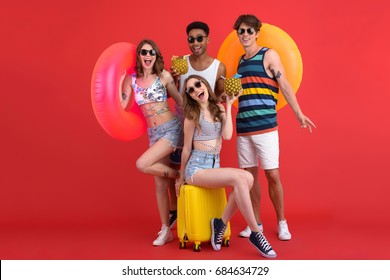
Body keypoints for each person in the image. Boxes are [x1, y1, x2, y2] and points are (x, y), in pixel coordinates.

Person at [232, 14, 316, 241]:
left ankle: (282, 222)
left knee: (273, 175)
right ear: (237, 34)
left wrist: (298, 113)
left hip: (266, 127)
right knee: (249, 178)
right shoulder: (240, 61)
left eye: (250, 30)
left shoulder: (268, 55)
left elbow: (284, 83)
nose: (246, 34)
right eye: (242, 31)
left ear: (257, 33)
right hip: (243, 127)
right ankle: (255, 223)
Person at [175, 75, 277, 258]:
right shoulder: (191, 117)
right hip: (196, 169)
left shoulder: (219, 110)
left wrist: (229, 106)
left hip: (214, 166)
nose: (196, 90)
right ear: (189, 96)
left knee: (249, 179)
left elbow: (228, 135)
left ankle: (220, 224)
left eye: (198, 84)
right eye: (190, 89)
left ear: (205, 85)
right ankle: (256, 233)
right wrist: (181, 177)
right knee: (240, 177)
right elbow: (186, 149)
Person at [121, 39, 183, 246]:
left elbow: (180, 100)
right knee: (159, 184)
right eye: (143, 52)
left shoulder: (164, 76)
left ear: (156, 55)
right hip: (153, 134)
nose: (148, 56)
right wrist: (117, 81)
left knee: (142, 164)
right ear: (139, 55)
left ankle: (177, 175)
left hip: (171, 130)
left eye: (152, 52)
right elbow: (122, 105)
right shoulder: (131, 80)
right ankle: (166, 230)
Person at [167, 21, 227, 228]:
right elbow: (170, 93)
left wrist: (227, 99)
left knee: (201, 169)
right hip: (182, 123)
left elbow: (217, 99)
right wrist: (173, 80)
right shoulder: (180, 62)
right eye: (191, 39)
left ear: (208, 39)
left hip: (205, 131)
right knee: (175, 168)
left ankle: (205, 218)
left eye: (199, 38)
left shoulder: (218, 67)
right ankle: (177, 213)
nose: (195, 43)